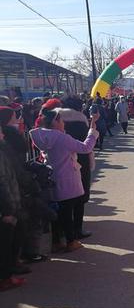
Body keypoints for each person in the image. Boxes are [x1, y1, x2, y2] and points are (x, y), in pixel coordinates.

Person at [29, 106, 99, 252]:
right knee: (67, 211)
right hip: (67, 177)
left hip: (52, 177)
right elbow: (85, 148)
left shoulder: (43, 137)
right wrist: (92, 130)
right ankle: (71, 241)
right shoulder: (61, 138)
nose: (64, 123)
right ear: (56, 122)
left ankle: (56, 242)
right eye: (61, 120)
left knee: (57, 212)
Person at [60, 95, 95, 239]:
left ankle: (63, 231)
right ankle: (77, 229)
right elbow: (86, 145)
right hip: (79, 160)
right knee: (80, 194)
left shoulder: (56, 120)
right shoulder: (80, 122)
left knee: (64, 197)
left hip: (60, 162)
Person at [0, 125, 25, 291]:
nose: (2, 134)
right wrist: (8, 210)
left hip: (7, 203)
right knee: (4, 244)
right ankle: (5, 278)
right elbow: (2, 182)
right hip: (5, 206)